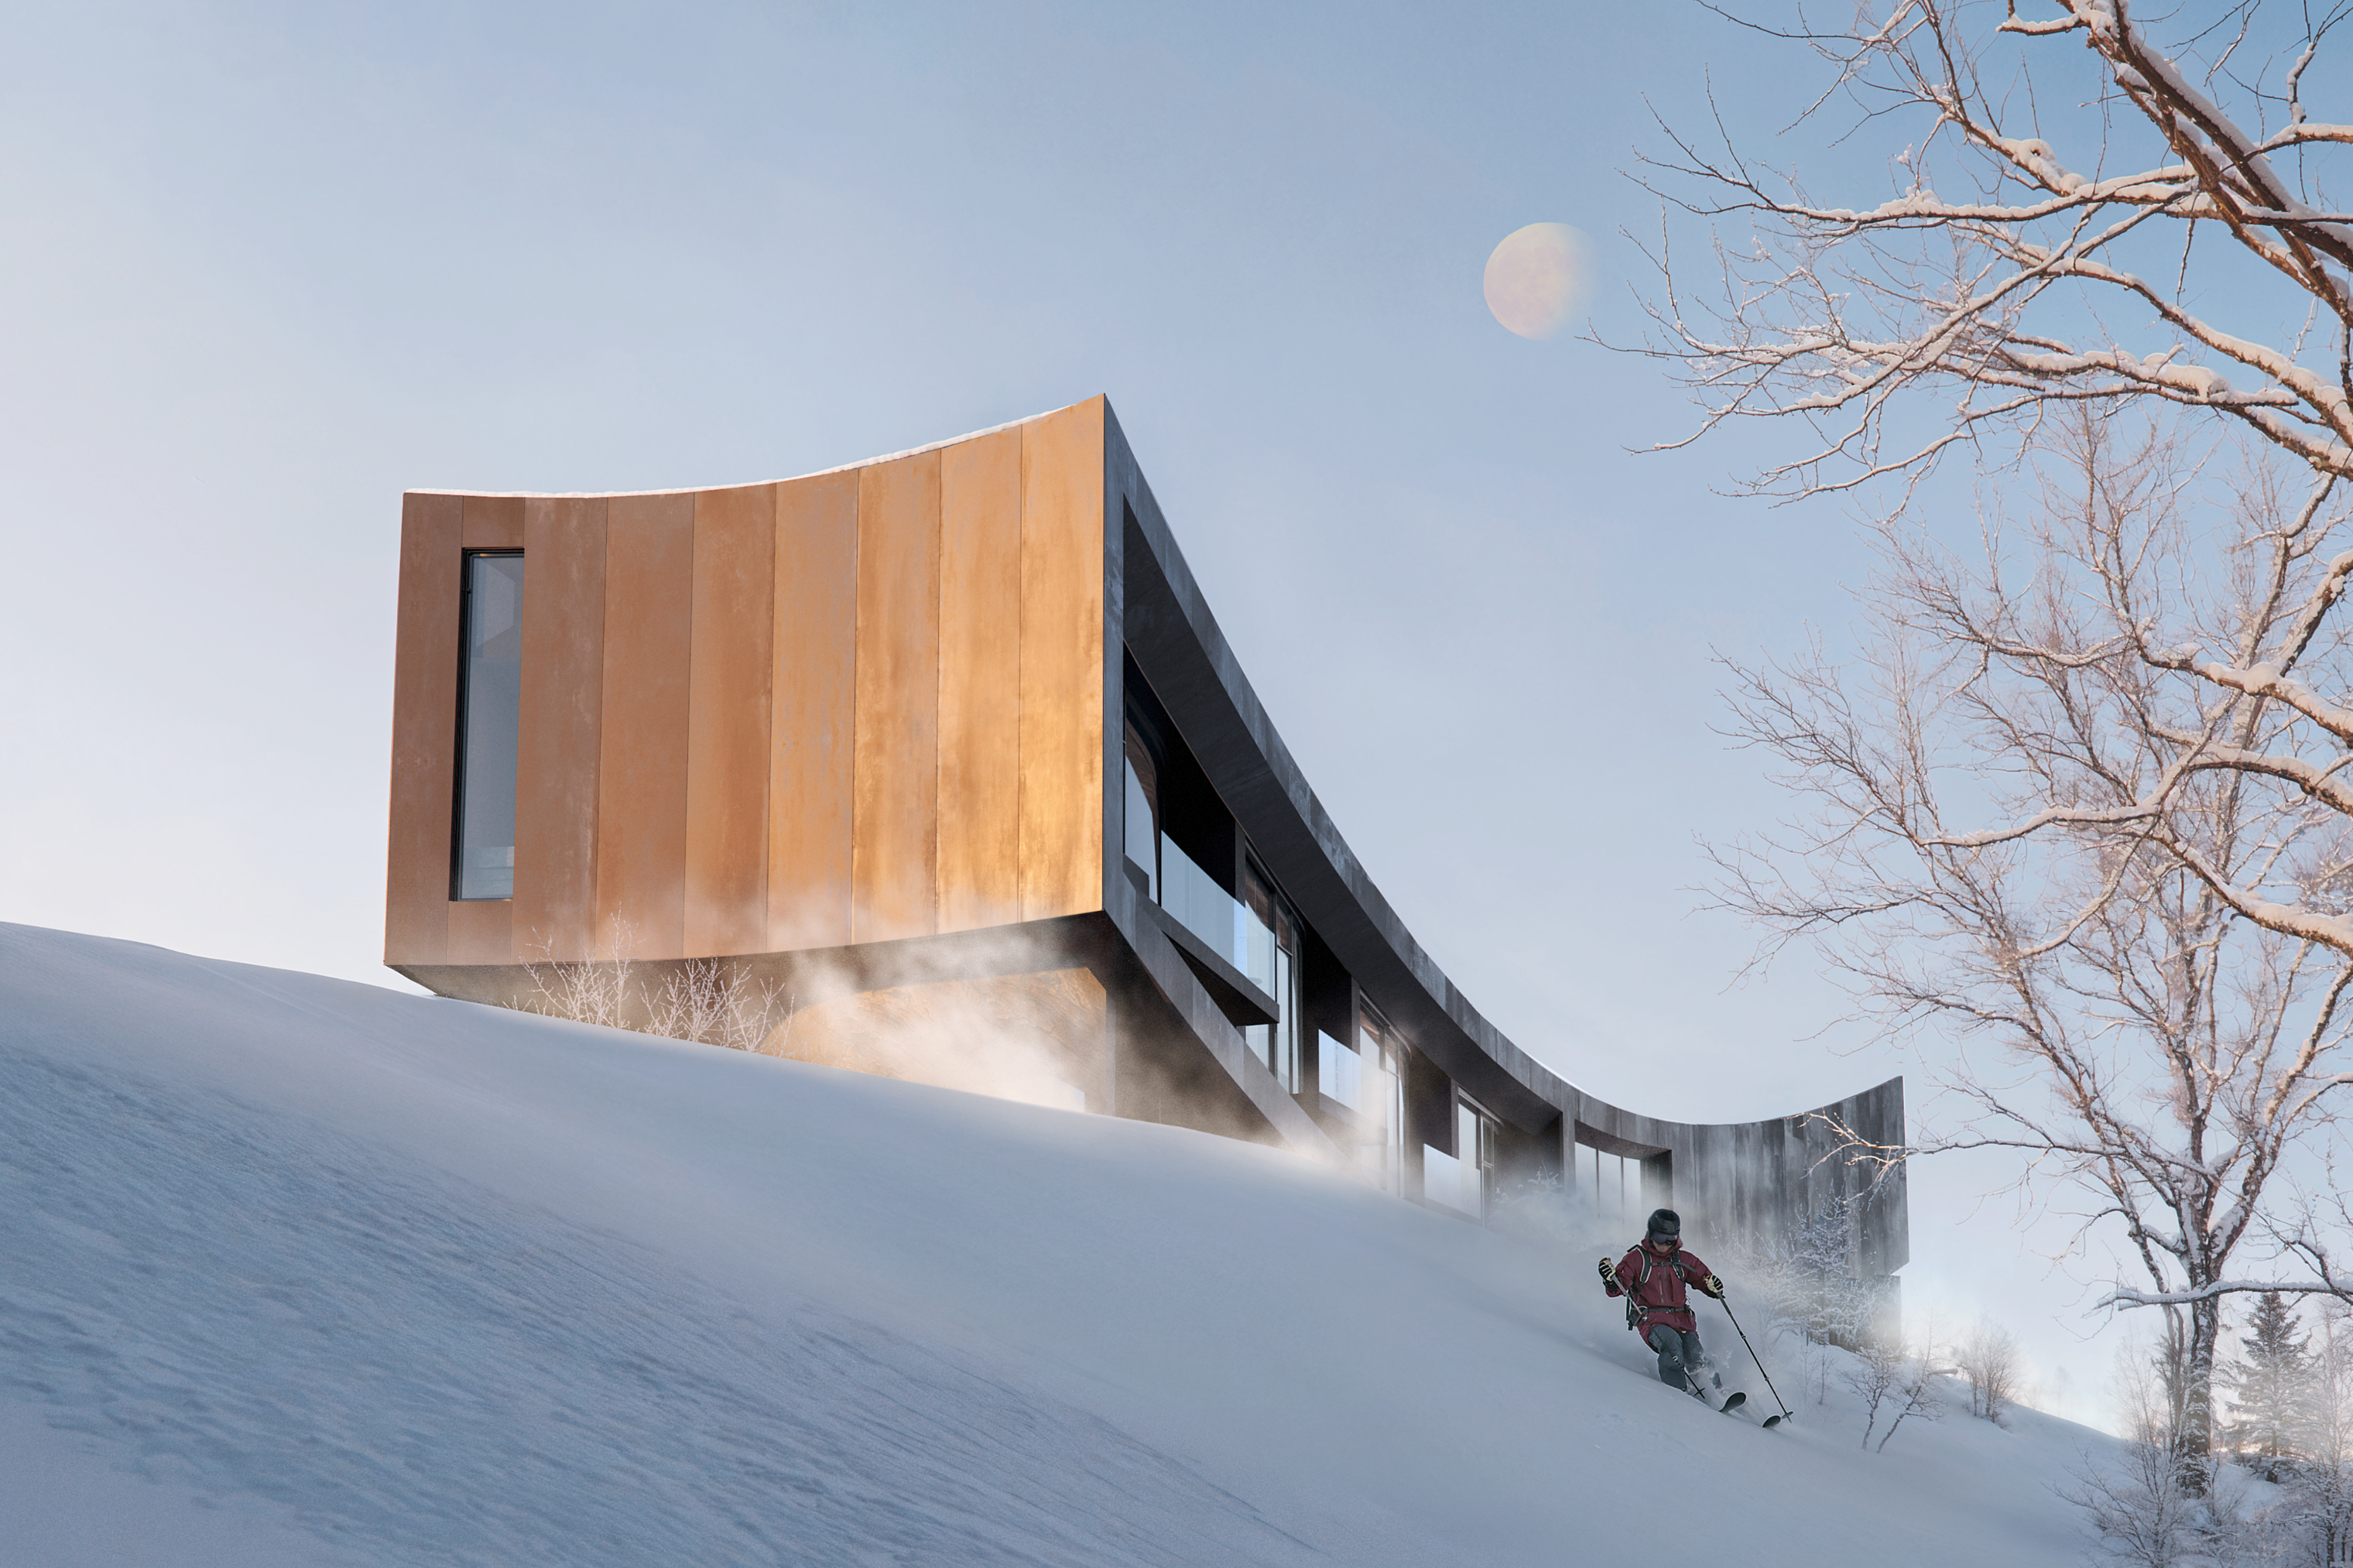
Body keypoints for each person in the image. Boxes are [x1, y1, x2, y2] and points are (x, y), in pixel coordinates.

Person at [1599, 1207, 1728, 1394]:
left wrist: (1713, 1287)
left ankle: (1718, 1393)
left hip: (1682, 1320)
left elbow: (1703, 1278)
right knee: (1672, 1345)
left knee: (1695, 1353)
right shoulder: (1637, 1259)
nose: (1666, 1244)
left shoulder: (1682, 1259)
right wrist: (1611, 1280)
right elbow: (1618, 1287)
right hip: (1651, 1320)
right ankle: (1677, 1393)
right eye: (1661, 1238)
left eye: (1671, 1239)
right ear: (1651, 1235)